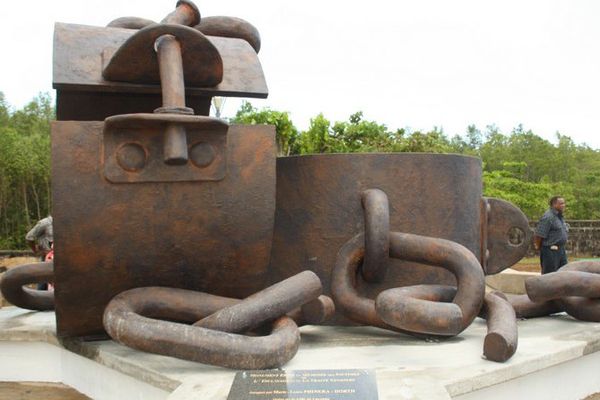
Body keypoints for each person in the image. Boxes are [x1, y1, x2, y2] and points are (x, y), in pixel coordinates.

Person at [533, 197, 568, 274]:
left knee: (563, 272)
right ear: (554, 204)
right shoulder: (548, 217)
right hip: (550, 250)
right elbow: (539, 235)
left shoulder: (559, 216)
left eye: (564, 203)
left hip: (561, 250)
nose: (563, 205)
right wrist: (541, 248)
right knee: (549, 274)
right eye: (561, 203)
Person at [25, 216, 53, 290]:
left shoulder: (65, 223)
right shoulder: (45, 223)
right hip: (48, 257)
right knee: (43, 281)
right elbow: (29, 237)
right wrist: (36, 251)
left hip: (62, 258)